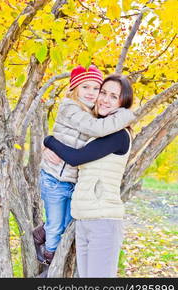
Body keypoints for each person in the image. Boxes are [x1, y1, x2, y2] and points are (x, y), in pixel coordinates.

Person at [33, 66, 135, 266]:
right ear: (74, 89)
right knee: (57, 224)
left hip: (97, 211)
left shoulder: (115, 132)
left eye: (98, 89)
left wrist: (49, 141)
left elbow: (76, 156)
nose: (100, 96)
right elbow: (86, 137)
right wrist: (49, 144)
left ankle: (47, 245)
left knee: (60, 223)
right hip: (59, 180)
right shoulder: (77, 110)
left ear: (123, 102)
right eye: (102, 92)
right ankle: (49, 260)